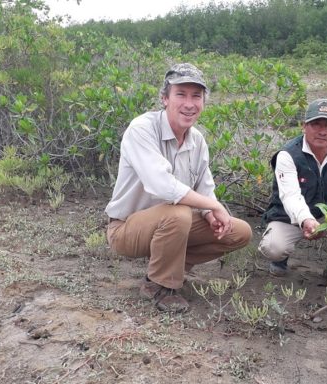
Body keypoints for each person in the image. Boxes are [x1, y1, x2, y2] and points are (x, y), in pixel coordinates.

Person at [105, 63, 252, 313]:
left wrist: (210, 213)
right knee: (179, 213)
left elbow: (204, 188)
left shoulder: (198, 141)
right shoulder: (141, 129)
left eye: (196, 96)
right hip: (127, 229)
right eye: (180, 94)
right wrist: (213, 205)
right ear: (164, 98)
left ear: (204, 102)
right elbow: (161, 186)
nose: (189, 103)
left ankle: (170, 268)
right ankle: (158, 286)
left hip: (171, 226)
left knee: (238, 231)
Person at [258, 98, 327, 289]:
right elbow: (291, 196)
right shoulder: (287, 155)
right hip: (289, 217)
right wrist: (306, 221)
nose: (322, 131)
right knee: (274, 247)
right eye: (315, 124)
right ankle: (280, 260)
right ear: (304, 126)